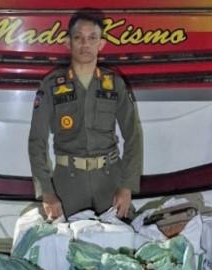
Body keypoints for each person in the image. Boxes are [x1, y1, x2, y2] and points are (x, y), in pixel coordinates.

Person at [28, 9, 143, 220]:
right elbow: (37, 141)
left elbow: (133, 136)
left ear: (101, 44)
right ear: (68, 42)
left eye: (92, 38)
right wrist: (47, 192)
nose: (85, 44)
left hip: (110, 182)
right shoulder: (51, 85)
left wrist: (127, 186)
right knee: (66, 240)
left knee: (119, 238)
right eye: (78, 38)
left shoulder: (114, 83)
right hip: (67, 185)